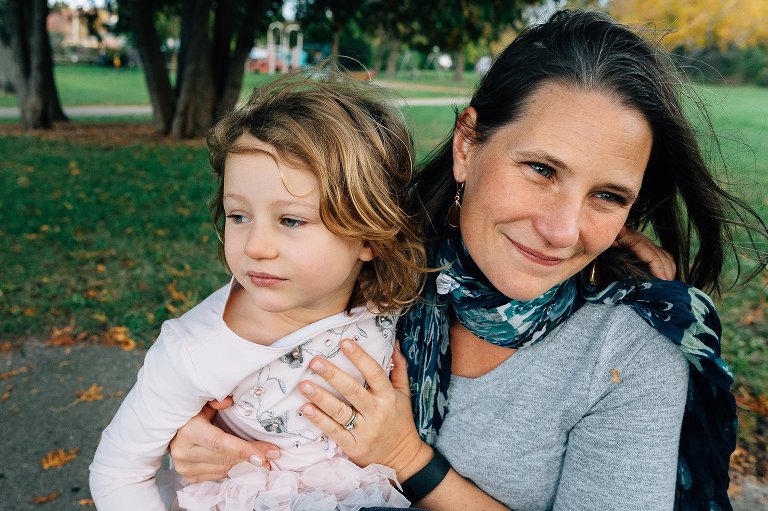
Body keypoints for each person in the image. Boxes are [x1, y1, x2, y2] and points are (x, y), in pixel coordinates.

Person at [169, 9, 768, 511]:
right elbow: (223, 349)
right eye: (540, 170)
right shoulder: (371, 257)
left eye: (606, 197)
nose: (562, 232)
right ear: (466, 144)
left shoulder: (630, 353)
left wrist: (408, 459)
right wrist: (194, 428)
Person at [89, 71, 430, 510]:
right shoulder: (194, 351)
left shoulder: (387, 299)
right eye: (238, 216)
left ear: (369, 237)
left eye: (290, 220)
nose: (255, 247)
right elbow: (118, 472)